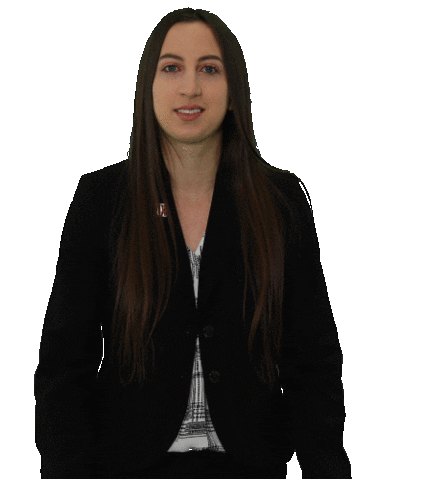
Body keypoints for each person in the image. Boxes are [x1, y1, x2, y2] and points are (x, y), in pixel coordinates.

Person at [35, 8, 351, 479]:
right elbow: (64, 363)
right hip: (129, 466)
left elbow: (313, 359)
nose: (190, 87)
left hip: (252, 464)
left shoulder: (281, 199)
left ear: (234, 90)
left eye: (209, 68)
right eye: (171, 67)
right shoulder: (101, 198)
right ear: (148, 86)